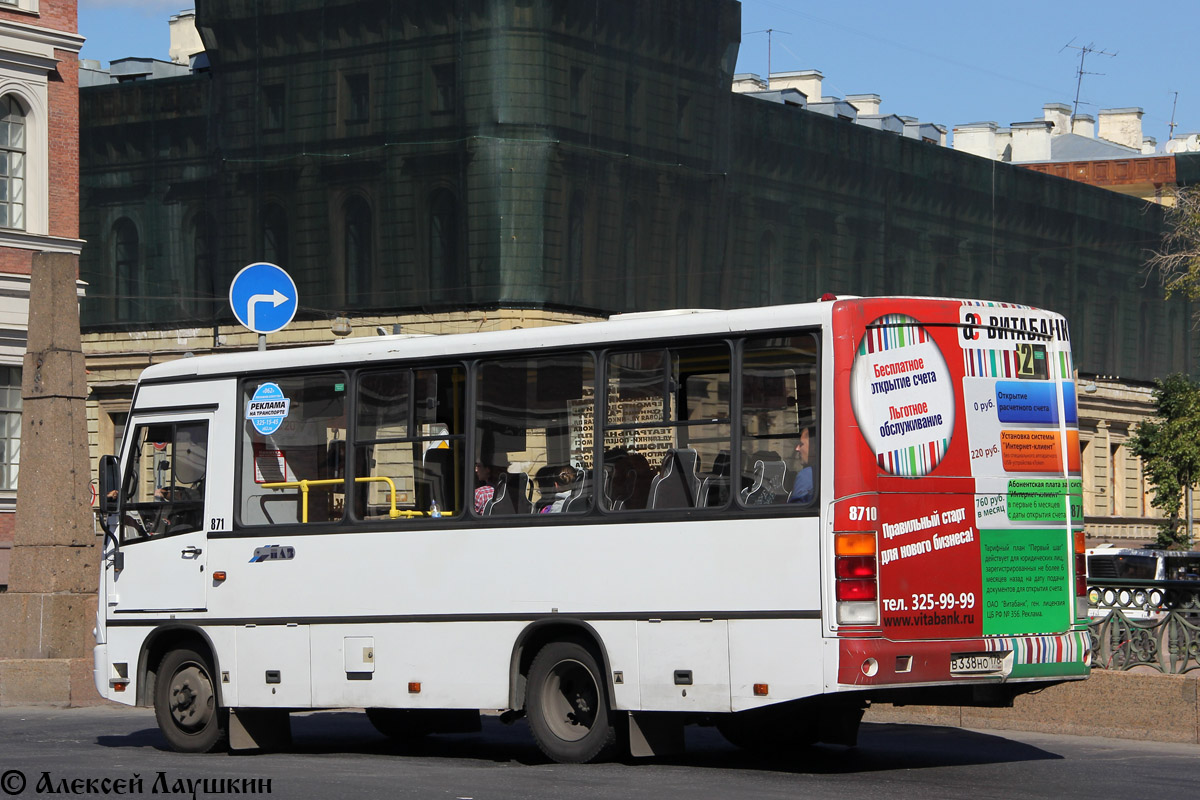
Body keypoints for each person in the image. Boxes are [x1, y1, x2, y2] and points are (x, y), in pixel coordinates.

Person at [789, 427, 814, 504]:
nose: (797, 449)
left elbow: (794, 512)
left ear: (814, 446)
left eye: (801, 444)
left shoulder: (807, 475)